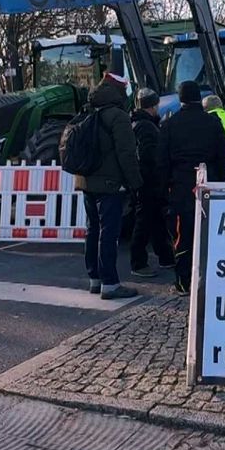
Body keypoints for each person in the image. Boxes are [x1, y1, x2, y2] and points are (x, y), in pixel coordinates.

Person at [158, 80, 225, 295]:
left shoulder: (170, 124)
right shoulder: (214, 123)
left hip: (181, 188)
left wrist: (164, 190)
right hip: (209, 185)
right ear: (199, 97)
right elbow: (223, 156)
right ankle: (210, 280)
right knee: (210, 235)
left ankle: (183, 282)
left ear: (180, 99)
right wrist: (219, 181)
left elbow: (162, 161)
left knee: (184, 236)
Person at [78, 72, 143, 300]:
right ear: (119, 90)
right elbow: (126, 154)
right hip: (109, 183)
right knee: (109, 232)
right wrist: (135, 183)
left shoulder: (88, 110)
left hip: (87, 181)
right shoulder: (118, 116)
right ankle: (110, 283)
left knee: (92, 230)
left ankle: (94, 279)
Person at [129, 87, 175, 278]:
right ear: (153, 106)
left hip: (144, 180)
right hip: (149, 182)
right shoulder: (147, 127)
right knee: (145, 219)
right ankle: (138, 262)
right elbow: (149, 156)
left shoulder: (136, 123)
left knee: (155, 219)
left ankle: (165, 256)